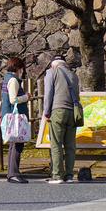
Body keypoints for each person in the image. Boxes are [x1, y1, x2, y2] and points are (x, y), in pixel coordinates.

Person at [42, 53, 80, 185]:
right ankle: (69, 175)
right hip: (72, 112)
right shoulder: (73, 75)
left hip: (57, 111)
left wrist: (46, 112)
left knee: (56, 144)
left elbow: (48, 94)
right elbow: (77, 95)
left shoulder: (52, 72)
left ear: (53, 64)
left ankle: (57, 175)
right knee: (70, 146)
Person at [0, 55, 31, 183]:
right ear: (18, 68)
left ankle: (12, 173)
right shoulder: (13, 81)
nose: (22, 71)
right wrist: (26, 97)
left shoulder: (7, 79)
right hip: (15, 117)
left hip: (9, 115)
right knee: (17, 145)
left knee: (14, 144)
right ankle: (13, 173)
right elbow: (13, 99)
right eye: (21, 68)